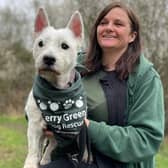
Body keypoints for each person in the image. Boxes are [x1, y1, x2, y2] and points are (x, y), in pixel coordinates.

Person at [42, 1, 165, 168]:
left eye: (118, 23)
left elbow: (145, 139)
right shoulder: (75, 64)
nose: (109, 27)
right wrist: (46, 118)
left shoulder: (146, 78)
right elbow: (39, 99)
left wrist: (84, 127)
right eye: (103, 22)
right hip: (67, 157)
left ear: (132, 36)